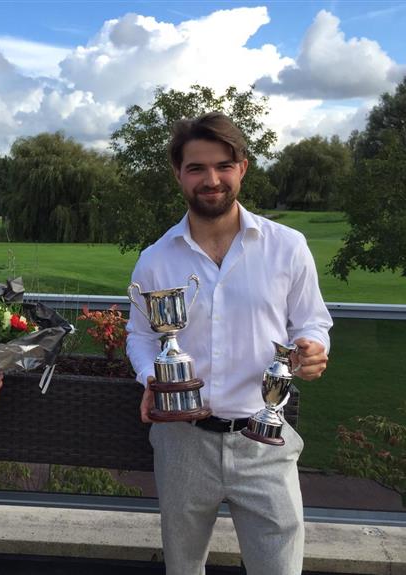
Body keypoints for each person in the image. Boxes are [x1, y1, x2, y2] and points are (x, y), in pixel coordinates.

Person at [126, 112, 332, 575]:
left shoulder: (288, 247)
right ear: (178, 174)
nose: (211, 179)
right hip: (182, 439)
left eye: (223, 165)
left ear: (243, 167)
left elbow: (313, 322)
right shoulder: (156, 259)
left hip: (265, 441)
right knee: (183, 568)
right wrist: (153, 377)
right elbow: (139, 337)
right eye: (196, 167)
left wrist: (313, 348)